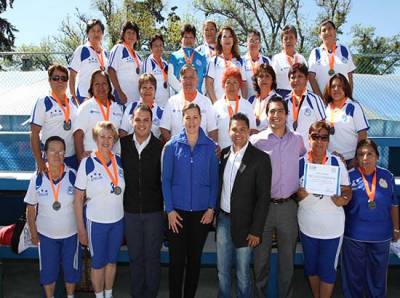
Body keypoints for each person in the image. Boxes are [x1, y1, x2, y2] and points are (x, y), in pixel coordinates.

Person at [250, 96, 306, 298]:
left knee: (286, 263)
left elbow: (313, 158)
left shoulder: (298, 140)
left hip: (288, 207)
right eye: (272, 111)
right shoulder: (256, 142)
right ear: (267, 115)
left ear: (286, 114)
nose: (276, 115)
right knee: (260, 261)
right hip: (263, 208)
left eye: (280, 111)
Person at [162, 103, 219, 298]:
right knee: (176, 261)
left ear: (201, 119)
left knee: (194, 260)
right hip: (176, 214)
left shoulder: (211, 146)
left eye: (196, 117)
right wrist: (169, 210)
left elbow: (214, 181)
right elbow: (166, 181)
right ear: (182, 119)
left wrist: (212, 208)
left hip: (202, 215)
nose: (192, 121)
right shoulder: (171, 146)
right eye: (188, 117)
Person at [217, 113, 272, 298]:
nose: (238, 133)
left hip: (246, 225)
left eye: (242, 129)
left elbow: (263, 199)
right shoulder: (224, 154)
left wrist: (256, 231)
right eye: (234, 129)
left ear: (249, 131)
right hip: (224, 221)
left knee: (243, 274)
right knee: (222, 271)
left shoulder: (260, 159)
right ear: (228, 131)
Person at [297, 121, 351, 298]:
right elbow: (292, 193)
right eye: (315, 137)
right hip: (308, 227)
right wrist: (300, 194)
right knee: (311, 268)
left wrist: (343, 199)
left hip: (332, 229)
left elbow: (347, 190)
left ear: (328, 141)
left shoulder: (336, 162)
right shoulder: (299, 163)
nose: (319, 141)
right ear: (309, 138)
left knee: (327, 270)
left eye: (324, 138)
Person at [341, 139, 400, 298]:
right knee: (354, 276)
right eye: (361, 154)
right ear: (356, 158)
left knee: (378, 277)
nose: (365, 158)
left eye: (369, 154)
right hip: (354, 236)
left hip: (381, 237)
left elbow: (394, 205)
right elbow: (341, 205)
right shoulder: (348, 177)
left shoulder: (387, 176)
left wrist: (396, 228)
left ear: (377, 157)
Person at [25, 136, 81, 298]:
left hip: (71, 234)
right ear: (45, 153)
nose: (57, 155)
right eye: (52, 151)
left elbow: (82, 203)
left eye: (61, 151)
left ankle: (70, 296)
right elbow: (30, 209)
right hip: (46, 236)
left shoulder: (73, 175)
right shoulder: (37, 178)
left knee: (71, 271)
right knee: (48, 272)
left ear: (65, 154)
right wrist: (34, 233)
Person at [74, 121, 125, 298]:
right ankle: (99, 295)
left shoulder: (119, 161)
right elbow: (78, 199)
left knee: (111, 261)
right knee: (98, 263)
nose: (106, 140)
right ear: (96, 138)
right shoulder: (87, 163)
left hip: (117, 221)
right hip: (96, 222)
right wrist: (81, 229)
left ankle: (108, 294)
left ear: (114, 140)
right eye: (102, 136)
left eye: (110, 137)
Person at [120, 104, 164, 298]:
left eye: (146, 120)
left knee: (152, 257)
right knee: (135, 257)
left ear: (152, 122)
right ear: (132, 121)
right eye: (138, 119)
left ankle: (151, 294)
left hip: (153, 212)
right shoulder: (122, 145)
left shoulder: (161, 147)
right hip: (130, 211)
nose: (142, 124)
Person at [30, 64, 79, 171]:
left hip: (71, 156)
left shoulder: (73, 102)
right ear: (49, 80)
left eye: (64, 78)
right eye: (56, 78)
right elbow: (34, 133)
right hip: (50, 158)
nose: (60, 81)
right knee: (51, 187)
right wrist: (39, 160)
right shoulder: (43, 101)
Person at [73, 70, 123, 161]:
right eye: (97, 84)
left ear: (109, 86)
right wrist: (81, 159)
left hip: (113, 162)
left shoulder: (117, 108)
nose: (101, 87)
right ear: (92, 87)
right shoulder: (85, 107)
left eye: (104, 83)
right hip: (92, 161)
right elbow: (78, 135)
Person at [160, 64, 218, 142]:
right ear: (180, 80)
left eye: (191, 77)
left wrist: (211, 147)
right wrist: (174, 147)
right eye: (185, 77)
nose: (188, 81)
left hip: (201, 151)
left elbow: (212, 130)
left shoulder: (206, 102)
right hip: (178, 152)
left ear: (197, 79)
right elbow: (164, 128)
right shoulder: (171, 102)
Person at [324, 73, 368, 168]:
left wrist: (356, 158)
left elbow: (362, 134)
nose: (336, 89)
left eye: (340, 86)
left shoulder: (354, 107)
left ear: (346, 88)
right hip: (330, 160)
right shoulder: (326, 108)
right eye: (333, 86)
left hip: (350, 160)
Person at [308, 19, 356, 98]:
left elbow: (350, 76)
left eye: (330, 28)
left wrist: (349, 97)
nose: (327, 32)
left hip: (342, 101)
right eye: (324, 30)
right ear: (320, 35)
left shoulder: (344, 50)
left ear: (335, 31)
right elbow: (311, 78)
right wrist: (321, 100)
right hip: (323, 100)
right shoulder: (315, 52)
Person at [213, 67, 257, 149]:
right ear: (223, 85)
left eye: (235, 82)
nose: (231, 86)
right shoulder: (216, 106)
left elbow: (253, 131)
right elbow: (212, 132)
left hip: (243, 153)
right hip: (222, 154)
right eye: (228, 82)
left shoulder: (247, 105)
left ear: (239, 86)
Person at [285, 63, 326, 147]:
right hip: (289, 151)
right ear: (289, 80)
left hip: (309, 153)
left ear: (306, 79)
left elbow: (323, 125)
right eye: (293, 77)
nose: (296, 80)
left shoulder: (315, 99)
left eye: (300, 76)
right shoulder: (284, 101)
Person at [69, 19, 108, 103]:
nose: (96, 34)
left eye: (99, 31)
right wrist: (74, 96)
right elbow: (72, 75)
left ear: (102, 34)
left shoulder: (105, 53)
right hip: (85, 97)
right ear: (87, 33)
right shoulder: (82, 49)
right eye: (93, 31)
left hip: (102, 98)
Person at [206, 25, 248, 103]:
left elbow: (244, 84)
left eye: (230, 36)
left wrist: (243, 102)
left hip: (236, 105)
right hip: (220, 107)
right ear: (220, 40)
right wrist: (215, 103)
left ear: (233, 40)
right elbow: (209, 84)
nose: (227, 39)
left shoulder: (240, 61)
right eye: (224, 37)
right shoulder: (213, 61)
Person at [119, 74, 163, 139]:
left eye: (151, 88)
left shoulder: (161, 112)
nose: (147, 90)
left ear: (155, 90)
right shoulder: (131, 107)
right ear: (139, 90)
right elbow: (123, 131)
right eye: (144, 87)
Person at [108, 21, 142, 105]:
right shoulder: (119, 48)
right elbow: (111, 70)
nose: (131, 35)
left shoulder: (138, 56)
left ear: (137, 36)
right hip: (122, 99)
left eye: (134, 33)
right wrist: (119, 92)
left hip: (135, 99)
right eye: (128, 33)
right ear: (123, 34)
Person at [168, 24, 207, 95]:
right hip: (180, 96)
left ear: (195, 39)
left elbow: (205, 78)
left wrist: (200, 93)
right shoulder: (174, 56)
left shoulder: (201, 57)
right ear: (181, 39)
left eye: (191, 37)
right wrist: (182, 91)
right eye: (186, 37)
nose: (188, 40)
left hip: (198, 96)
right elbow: (170, 77)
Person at [272, 25, 307, 98]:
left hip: (300, 96)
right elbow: (272, 81)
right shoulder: (277, 58)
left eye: (291, 37)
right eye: (285, 38)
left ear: (296, 40)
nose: (288, 41)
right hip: (282, 96)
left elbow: (307, 81)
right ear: (282, 41)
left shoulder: (301, 58)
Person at [247, 64, 278, 131]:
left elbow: (278, 126)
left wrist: (259, 133)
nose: (264, 79)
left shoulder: (278, 100)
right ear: (256, 79)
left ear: (272, 80)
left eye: (267, 76)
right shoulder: (251, 100)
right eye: (261, 76)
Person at [142, 34, 170, 108]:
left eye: (161, 45)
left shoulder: (165, 63)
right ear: (151, 48)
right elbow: (145, 83)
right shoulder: (148, 61)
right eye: (156, 46)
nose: (159, 48)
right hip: (153, 105)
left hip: (165, 104)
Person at [243, 30, 271, 97]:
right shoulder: (241, 61)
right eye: (251, 41)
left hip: (263, 99)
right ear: (246, 43)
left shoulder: (266, 61)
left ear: (260, 44)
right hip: (247, 101)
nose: (254, 43)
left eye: (256, 41)